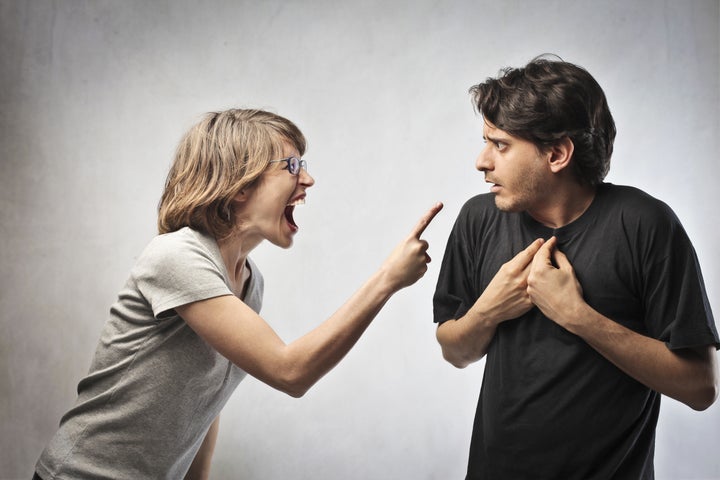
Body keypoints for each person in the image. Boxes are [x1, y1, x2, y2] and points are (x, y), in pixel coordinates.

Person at [34, 108, 443, 480]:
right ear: (238, 186)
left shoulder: (249, 283)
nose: (308, 179)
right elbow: (290, 372)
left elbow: (207, 400)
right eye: (293, 165)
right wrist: (387, 279)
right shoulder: (177, 255)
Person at [433, 56, 719, 479]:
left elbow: (700, 387)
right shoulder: (479, 219)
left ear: (557, 153)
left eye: (501, 145)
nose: (482, 161)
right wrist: (489, 310)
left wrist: (578, 316)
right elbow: (455, 351)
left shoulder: (645, 225)